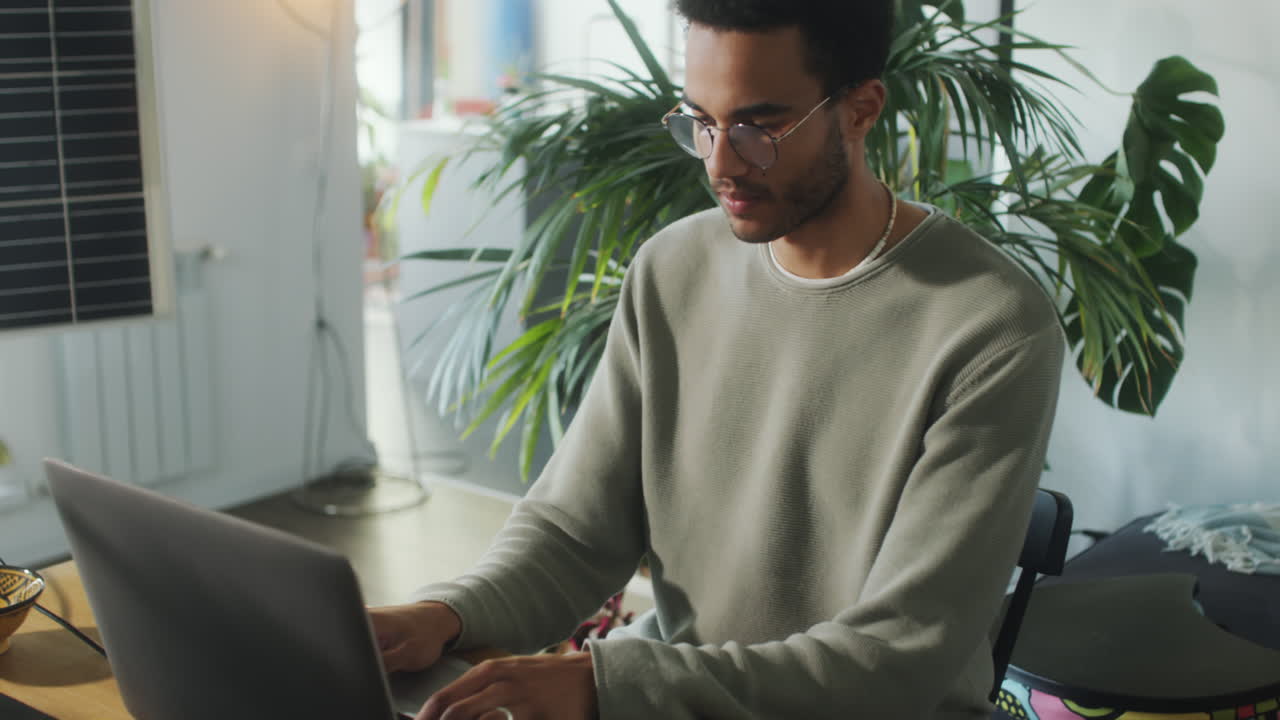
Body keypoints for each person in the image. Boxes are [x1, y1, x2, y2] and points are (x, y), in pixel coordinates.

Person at [371, 2, 1065, 718]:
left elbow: (899, 656)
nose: (720, 161)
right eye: (700, 120)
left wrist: (607, 685)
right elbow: (575, 531)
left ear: (860, 109)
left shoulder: (990, 325)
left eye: (759, 126)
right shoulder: (674, 269)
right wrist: (445, 616)